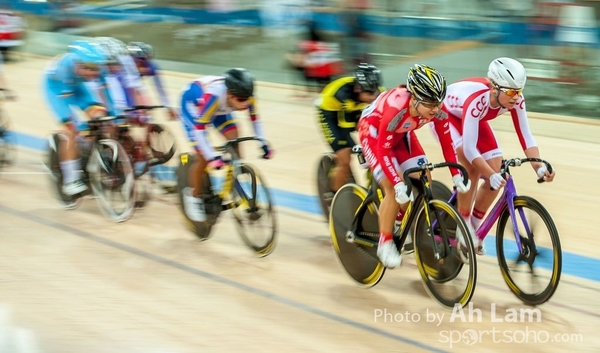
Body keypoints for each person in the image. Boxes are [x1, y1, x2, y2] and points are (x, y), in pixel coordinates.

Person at [432, 57, 555, 255]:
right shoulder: (477, 101)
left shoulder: (516, 100)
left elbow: (526, 135)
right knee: (470, 166)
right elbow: (471, 150)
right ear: (494, 88)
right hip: (445, 115)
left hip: (471, 118)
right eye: (511, 92)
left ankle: (475, 228)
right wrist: (490, 174)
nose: (516, 97)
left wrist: (538, 167)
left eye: (519, 91)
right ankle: (463, 226)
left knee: (497, 169)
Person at [358, 64, 471, 268]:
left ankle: (400, 218)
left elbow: (447, 143)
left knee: (425, 177)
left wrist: (456, 174)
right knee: (392, 189)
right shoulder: (396, 109)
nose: (436, 110)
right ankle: (384, 243)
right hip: (374, 132)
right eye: (429, 105)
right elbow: (384, 151)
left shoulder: (437, 108)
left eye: (438, 103)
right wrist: (397, 182)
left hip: (402, 133)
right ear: (415, 98)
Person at [179, 68, 273, 222]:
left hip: (220, 111)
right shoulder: (213, 97)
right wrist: (211, 156)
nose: (245, 104)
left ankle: (234, 181)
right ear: (229, 95)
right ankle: (192, 197)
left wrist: (263, 143)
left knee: (235, 142)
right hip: (194, 107)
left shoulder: (247, 96)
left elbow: (255, 120)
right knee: (202, 156)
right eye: (241, 100)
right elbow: (199, 132)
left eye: (247, 99)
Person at [43, 39, 110, 196]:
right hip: (57, 90)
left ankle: (95, 157)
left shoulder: (100, 69)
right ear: (78, 65)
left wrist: (107, 115)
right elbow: (69, 104)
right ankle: (70, 180)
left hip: (78, 87)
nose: (94, 73)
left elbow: (104, 95)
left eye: (97, 69)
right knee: (72, 130)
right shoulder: (66, 66)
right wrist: (81, 127)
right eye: (90, 69)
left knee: (101, 118)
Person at [316, 63, 383, 200]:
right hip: (330, 115)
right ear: (358, 89)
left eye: (375, 91)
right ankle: (333, 197)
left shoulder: (377, 91)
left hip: (353, 111)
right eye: (369, 93)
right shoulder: (344, 94)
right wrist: (359, 148)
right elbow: (346, 131)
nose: (373, 96)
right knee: (345, 159)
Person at [126, 42, 178, 119]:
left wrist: (168, 107)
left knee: (146, 114)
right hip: (124, 86)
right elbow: (130, 87)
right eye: (141, 60)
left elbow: (160, 89)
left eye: (147, 60)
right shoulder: (126, 66)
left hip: (136, 85)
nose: (143, 64)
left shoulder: (151, 66)